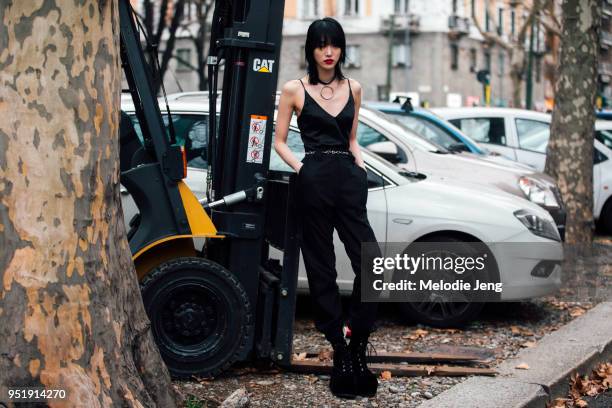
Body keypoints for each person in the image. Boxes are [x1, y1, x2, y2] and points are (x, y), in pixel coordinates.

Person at [273, 17, 380, 399]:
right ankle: (340, 350)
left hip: (350, 182)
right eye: (321, 45)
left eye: (334, 44)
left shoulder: (354, 87)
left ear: (341, 47)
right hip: (314, 179)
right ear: (311, 50)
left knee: (371, 260)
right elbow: (280, 140)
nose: (328, 51)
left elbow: (352, 139)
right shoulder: (294, 89)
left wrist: (361, 166)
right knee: (322, 267)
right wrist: (303, 168)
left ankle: (357, 339)